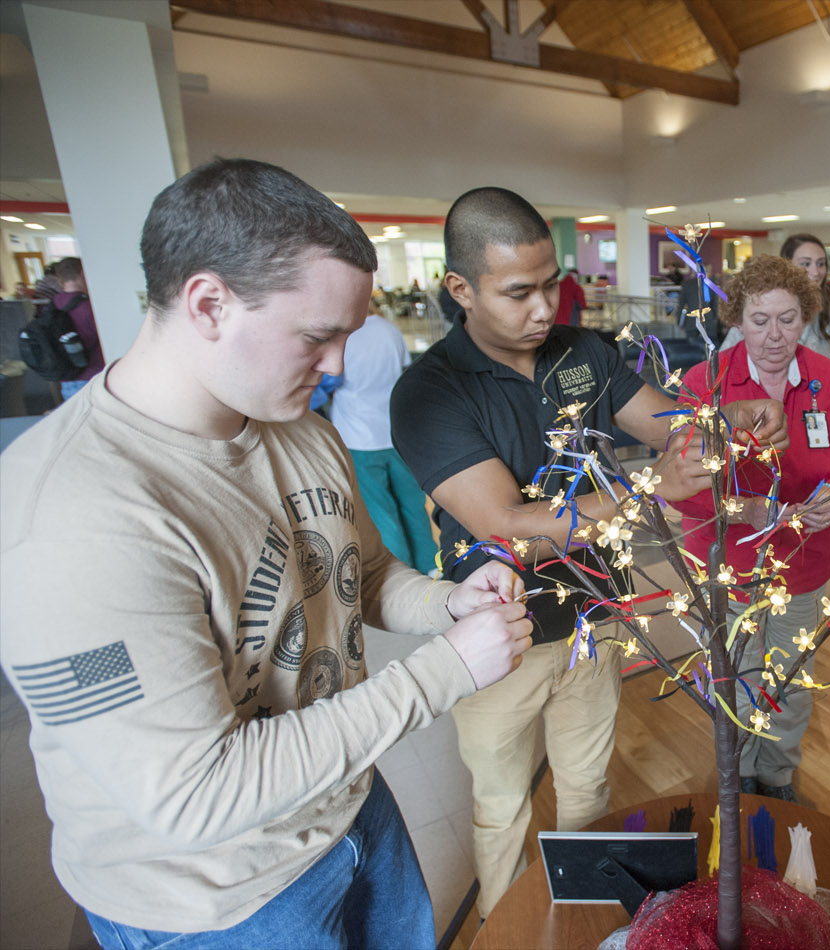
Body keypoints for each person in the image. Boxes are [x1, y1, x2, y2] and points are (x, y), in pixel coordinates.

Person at [0, 158, 534, 949]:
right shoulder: (68, 515)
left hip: (349, 806)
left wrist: (449, 601)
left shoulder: (300, 429)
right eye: (318, 337)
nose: (339, 367)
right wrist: (446, 671)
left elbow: (367, 573)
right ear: (209, 304)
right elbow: (195, 794)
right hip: (216, 902)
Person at [389, 187, 787, 919]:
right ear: (460, 289)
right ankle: (502, 927)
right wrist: (647, 489)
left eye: (551, 284)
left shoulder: (582, 352)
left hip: (598, 617)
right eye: (518, 293)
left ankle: (577, 922)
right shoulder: (427, 393)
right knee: (501, 805)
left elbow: (670, 426)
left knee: (586, 790)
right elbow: (506, 523)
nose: (544, 308)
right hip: (495, 637)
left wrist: (730, 418)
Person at [677, 255, 830, 803]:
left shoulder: (829, 383)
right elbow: (684, 486)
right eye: (759, 320)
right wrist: (744, 511)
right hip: (726, 562)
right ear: (736, 318)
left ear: (806, 318)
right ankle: (735, 776)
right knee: (736, 680)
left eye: (788, 319)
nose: (774, 335)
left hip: (801, 568)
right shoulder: (705, 383)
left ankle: (779, 776)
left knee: (789, 683)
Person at [327, 297, 439, 573]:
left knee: (382, 512)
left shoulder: (343, 337)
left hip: (359, 438)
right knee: (413, 505)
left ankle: (401, 572)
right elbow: (402, 370)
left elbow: (330, 381)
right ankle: (431, 566)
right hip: (395, 433)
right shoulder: (390, 329)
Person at [721, 233, 830, 365]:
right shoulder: (755, 318)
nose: (815, 272)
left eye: (821, 264)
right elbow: (721, 372)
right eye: (806, 263)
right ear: (786, 267)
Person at [50, 257, 106, 400]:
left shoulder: (54, 304)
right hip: (93, 378)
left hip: (67, 381)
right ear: (83, 274)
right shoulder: (90, 307)